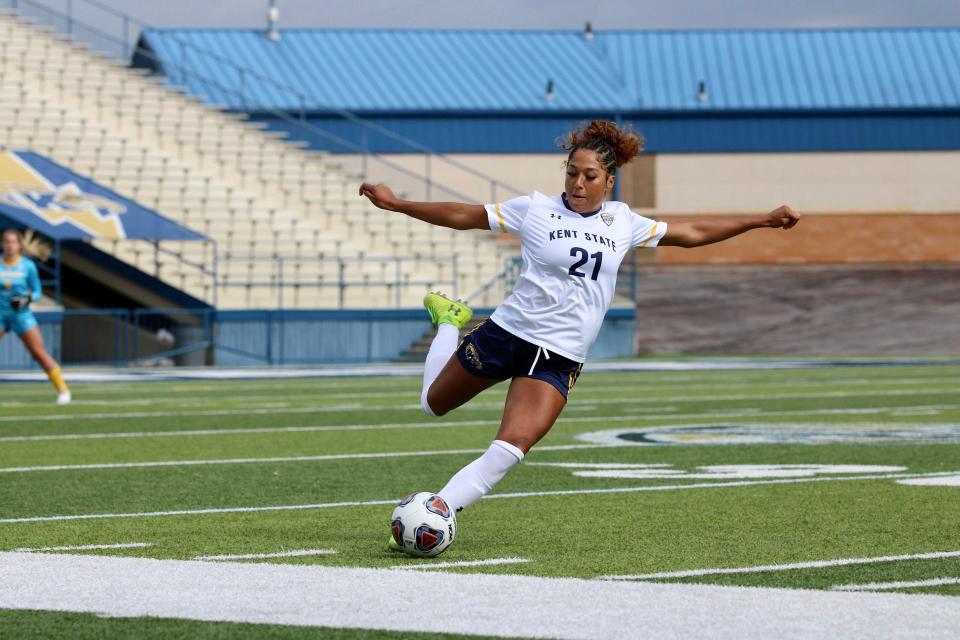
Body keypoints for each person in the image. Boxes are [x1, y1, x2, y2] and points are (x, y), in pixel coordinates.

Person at [360, 120, 798, 522]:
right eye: (572, 172)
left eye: (589, 176)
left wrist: (760, 220)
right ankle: (450, 321)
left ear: (609, 180)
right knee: (432, 405)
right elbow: (465, 215)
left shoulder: (623, 221)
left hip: (559, 355)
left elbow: (692, 234)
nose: (577, 183)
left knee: (513, 445)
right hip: (508, 333)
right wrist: (398, 205)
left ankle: (441, 510)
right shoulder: (535, 208)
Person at [0, 228, 71, 404]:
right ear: (2, 244)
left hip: (22, 315)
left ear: (19, 245)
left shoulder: (28, 266)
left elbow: (38, 292)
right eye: (6, 242)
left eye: (13, 242)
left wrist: (26, 299)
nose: (9, 246)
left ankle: (63, 389)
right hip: (1, 314)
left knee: (38, 352)